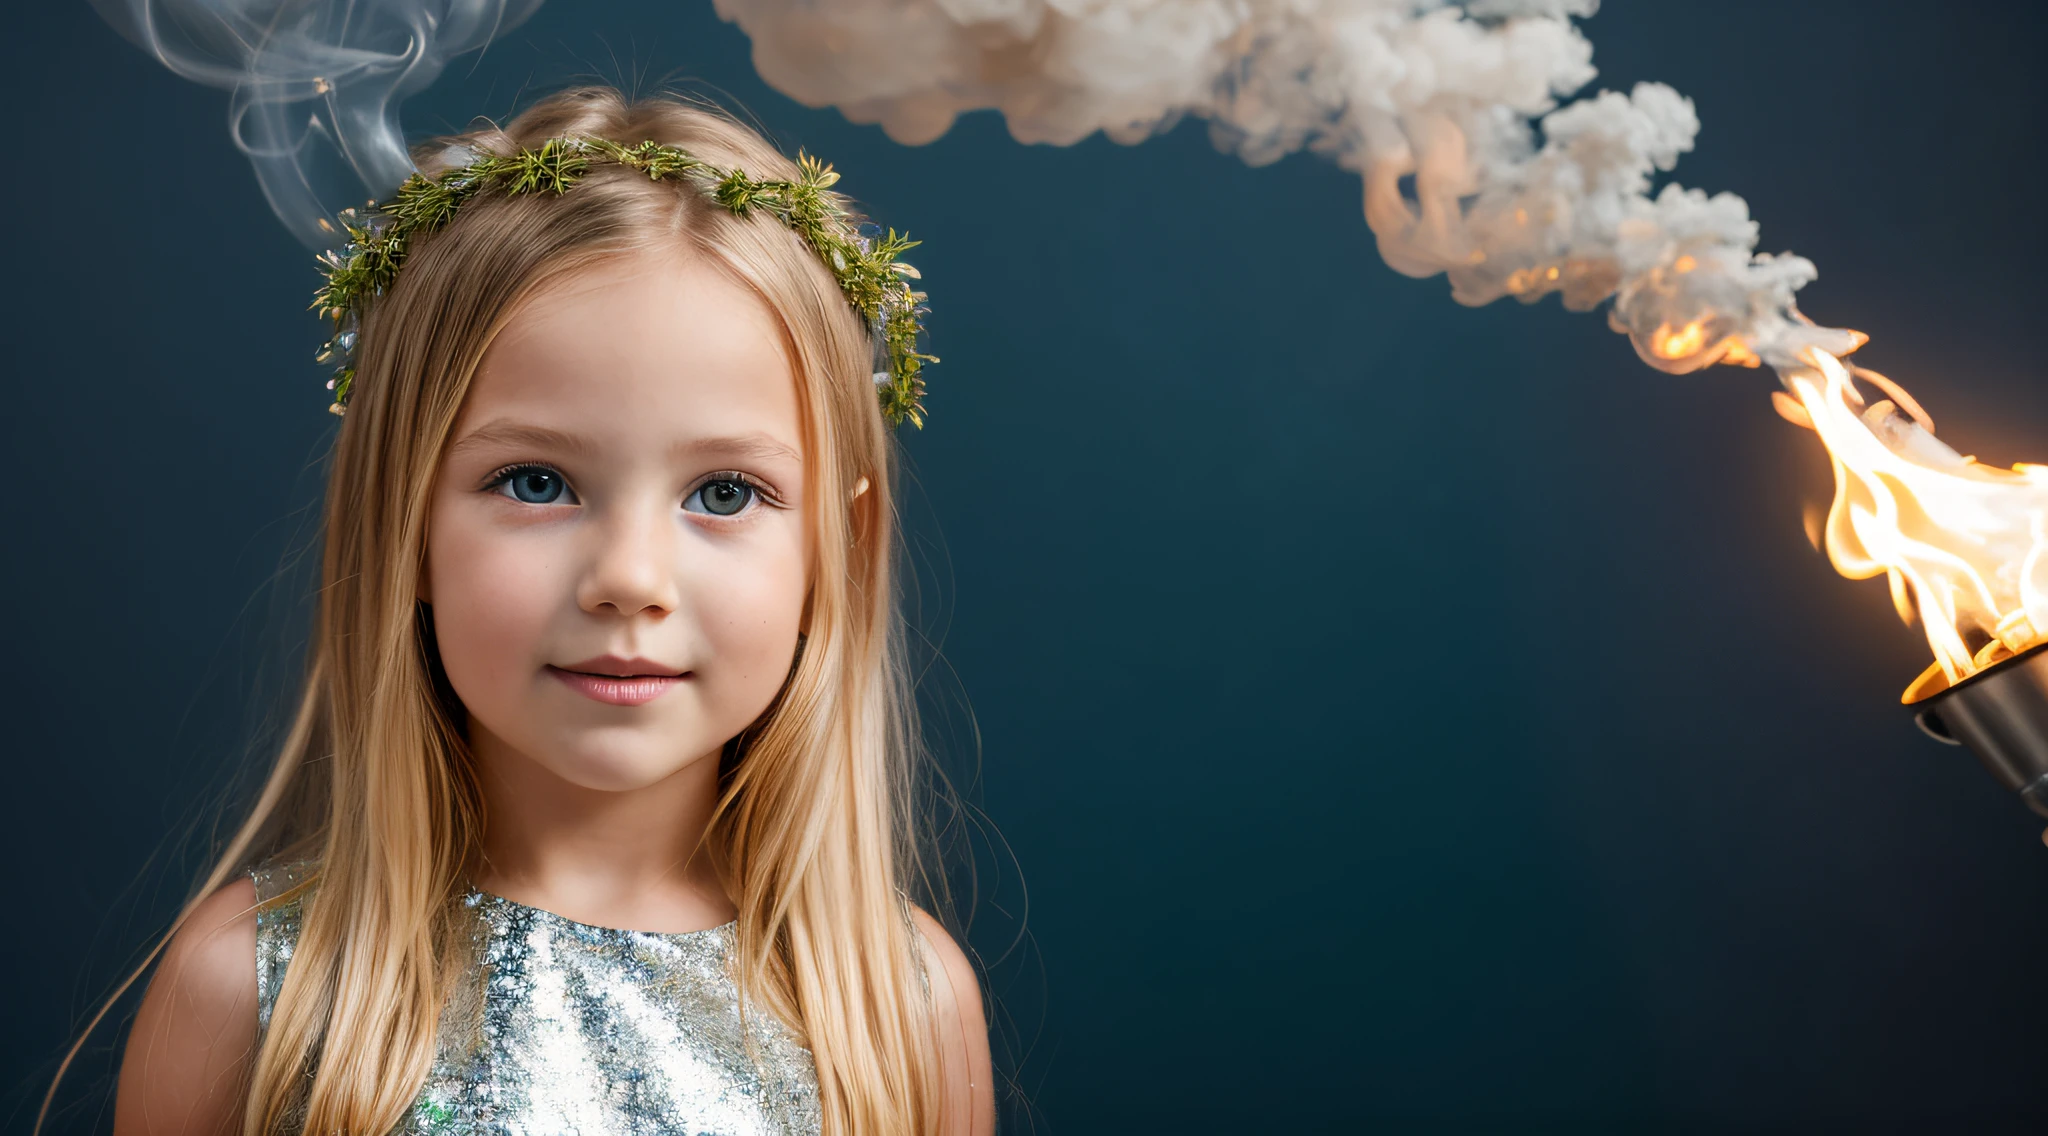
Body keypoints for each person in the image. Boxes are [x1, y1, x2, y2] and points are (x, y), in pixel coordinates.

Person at [77, 85, 994, 1136]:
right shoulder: (250, 991)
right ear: (402, 523)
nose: (628, 577)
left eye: (725, 493)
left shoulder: (904, 1010)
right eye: (535, 481)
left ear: (837, 552)